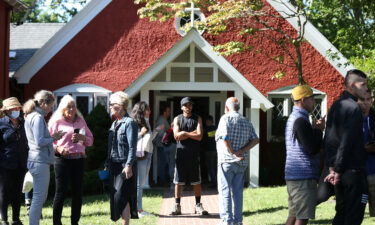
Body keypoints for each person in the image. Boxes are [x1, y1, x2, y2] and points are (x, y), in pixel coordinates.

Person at [324, 69, 369, 225]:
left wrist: (332, 167)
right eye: (363, 84)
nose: (366, 89)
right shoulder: (354, 108)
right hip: (352, 171)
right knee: (353, 217)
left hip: (339, 171)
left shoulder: (336, 105)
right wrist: (336, 168)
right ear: (351, 85)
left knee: (341, 213)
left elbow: (329, 138)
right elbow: (346, 141)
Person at [48, 95, 94, 225]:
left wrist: (83, 138)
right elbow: (48, 142)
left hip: (78, 160)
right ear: (62, 109)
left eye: (74, 106)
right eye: (69, 106)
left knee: (77, 193)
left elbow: (91, 140)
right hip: (62, 160)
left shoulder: (81, 121)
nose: (72, 108)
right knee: (60, 192)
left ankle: (75, 222)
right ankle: (57, 222)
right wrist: (58, 148)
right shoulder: (56, 122)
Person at [284, 85, 325, 225]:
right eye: (312, 99)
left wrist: (313, 129)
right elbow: (312, 148)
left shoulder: (296, 118)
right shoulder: (300, 120)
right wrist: (319, 130)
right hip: (303, 176)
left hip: (294, 175)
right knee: (302, 218)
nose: (314, 102)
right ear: (303, 100)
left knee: (293, 216)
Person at [23, 90, 65, 225]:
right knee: (39, 198)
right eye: (51, 106)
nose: (51, 109)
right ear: (43, 103)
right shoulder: (37, 117)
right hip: (39, 160)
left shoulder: (31, 116)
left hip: (36, 159)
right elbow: (40, 141)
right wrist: (54, 138)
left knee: (38, 197)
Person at [215, 97, 259, 225]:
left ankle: (227, 221)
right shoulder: (246, 121)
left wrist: (233, 152)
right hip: (242, 163)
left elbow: (225, 137)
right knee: (238, 193)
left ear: (227, 108)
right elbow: (256, 139)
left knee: (225, 192)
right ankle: (238, 221)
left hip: (227, 161)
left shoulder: (225, 118)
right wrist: (242, 150)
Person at [170, 97, 208, 216]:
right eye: (185, 105)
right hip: (181, 154)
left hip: (193, 154)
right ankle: (177, 206)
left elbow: (200, 136)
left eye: (190, 105)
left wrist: (185, 133)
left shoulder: (197, 118)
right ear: (181, 107)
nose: (188, 107)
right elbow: (176, 136)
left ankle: (198, 205)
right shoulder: (177, 119)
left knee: (196, 181)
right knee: (178, 181)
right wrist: (192, 134)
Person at [106, 91, 138, 225]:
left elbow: (132, 147)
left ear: (119, 106)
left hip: (125, 164)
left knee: (121, 196)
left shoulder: (130, 123)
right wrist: (107, 163)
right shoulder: (114, 124)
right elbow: (111, 147)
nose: (109, 107)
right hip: (113, 164)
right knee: (116, 195)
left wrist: (129, 165)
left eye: (111, 105)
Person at [0, 97, 28, 225]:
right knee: (5, 191)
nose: (16, 110)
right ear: (7, 111)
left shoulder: (23, 122)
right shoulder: (1, 124)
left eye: (17, 108)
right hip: (5, 163)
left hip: (21, 163)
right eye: (13, 108)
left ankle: (16, 219)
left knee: (17, 192)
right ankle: (4, 219)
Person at [131, 101, 160, 217]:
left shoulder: (146, 122)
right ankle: (138, 210)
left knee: (141, 182)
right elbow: (130, 139)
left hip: (148, 153)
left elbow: (150, 138)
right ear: (142, 111)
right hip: (140, 155)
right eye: (147, 109)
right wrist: (141, 133)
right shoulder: (134, 123)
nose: (150, 111)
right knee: (139, 183)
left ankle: (139, 209)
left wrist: (156, 131)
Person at [358, 91, 375, 217]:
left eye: (368, 99)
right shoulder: (352, 118)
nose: (365, 102)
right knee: (357, 209)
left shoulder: (373, 118)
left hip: (373, 169)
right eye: (362, 99)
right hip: (357, 170)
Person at [155, 106, 171, 185]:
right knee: (162, 163)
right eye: (168, 111)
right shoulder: (162, 120)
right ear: (164, 112)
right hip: (162, 146)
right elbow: (160, 134)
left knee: (164, 163)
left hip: (163, 146)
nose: (169, 113)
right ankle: (162, 181)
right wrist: (169, 135)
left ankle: (163, 180)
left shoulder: (164, 120)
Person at [202, 115, 217, 188]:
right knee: (213, 167)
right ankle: (215, 182)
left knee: (211, 167)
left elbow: (204, 140)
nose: (207, 122)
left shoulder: (206, 129)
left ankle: (214, 183)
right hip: (214, 150)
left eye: (207, 121)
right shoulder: (216, 129)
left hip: (209, 151)